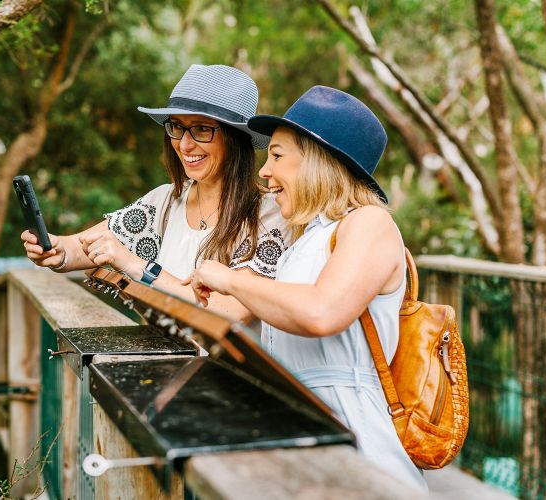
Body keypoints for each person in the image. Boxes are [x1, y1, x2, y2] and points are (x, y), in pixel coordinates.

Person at [187, 86, 427, 490]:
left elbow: (321, 312)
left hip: (358, 447)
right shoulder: (305, 241)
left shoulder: (369, 223)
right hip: (302, 438)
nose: (264, 172)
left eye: (277, 156)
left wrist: (231, 279)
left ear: (319, 160)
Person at [22, 64, 289, 321]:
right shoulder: (165, 202)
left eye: (201, 129)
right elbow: (84, 245)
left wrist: (140, 267)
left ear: (235, 139)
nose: (184, 145)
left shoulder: (270, 214)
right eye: (177, 127)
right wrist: (56, 251)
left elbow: (229, 311)